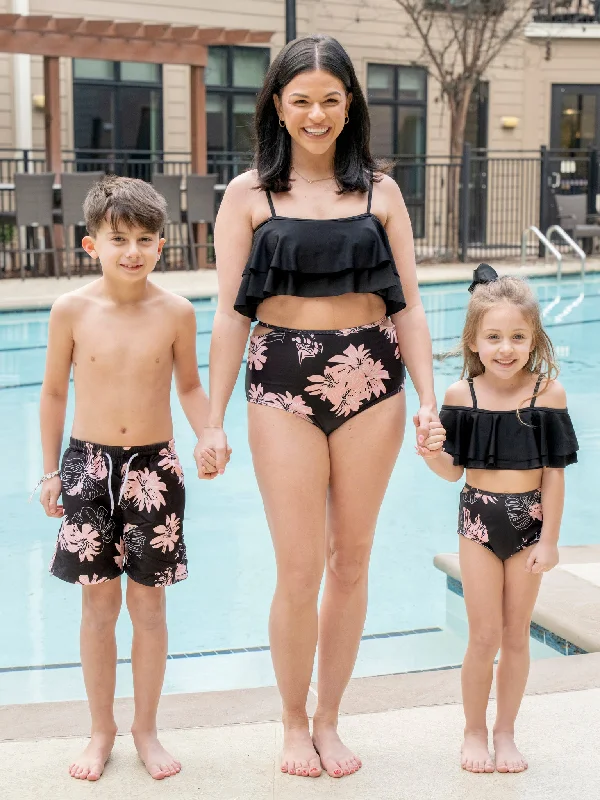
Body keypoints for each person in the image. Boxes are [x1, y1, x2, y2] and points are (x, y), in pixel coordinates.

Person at [195, 34, 439, 779]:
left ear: (350, 104)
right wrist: (211, 417)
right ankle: (292, 723)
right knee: (298, 569)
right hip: (280, 379)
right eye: (300, 99)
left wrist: (430, 400)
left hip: (372, 377)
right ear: (276, 103)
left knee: (351, 561)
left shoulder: (381, 193)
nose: (316, 113)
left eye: (331, 99)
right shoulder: (247, 196)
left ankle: (331, 718)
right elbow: (232, 313)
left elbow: (412, 310)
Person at [36, 176, 220, 782]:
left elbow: (190, 386)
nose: (132, 251)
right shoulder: (71, 311)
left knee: (149, 604)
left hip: (153, 470)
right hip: (87, 467)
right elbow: (54, 393)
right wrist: (49, 472)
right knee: (97, 604)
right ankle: (100, 728)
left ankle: (145, 726)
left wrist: (209, 431)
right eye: (119, 239)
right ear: (92, 245)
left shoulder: (175, 312)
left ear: (162, 245)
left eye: (145, 239)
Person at [421, 264, 578, 774]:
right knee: (483, 636)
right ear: (473, 340)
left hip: (528, 519)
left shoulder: (547, 394)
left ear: (534, 339)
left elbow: (554, 476)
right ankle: (472, 730)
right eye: (493, 337)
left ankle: (505, 732)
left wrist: (549, 540)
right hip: (480, 522)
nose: (505, 348)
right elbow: (451, 473)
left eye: (517, 336)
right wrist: (428, 454)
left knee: (515, 636)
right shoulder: (459, 397)